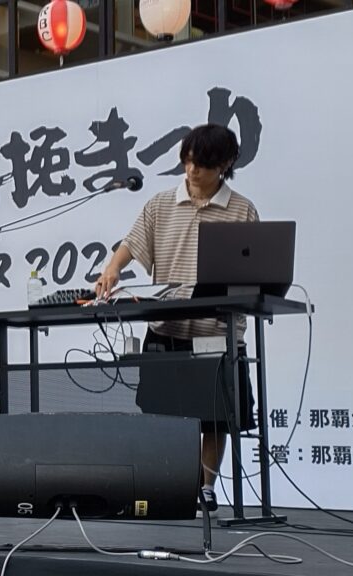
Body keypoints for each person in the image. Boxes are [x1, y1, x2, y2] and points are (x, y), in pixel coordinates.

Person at [96, 124, 258, 512]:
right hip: (166, 327)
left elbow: (254, 267)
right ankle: (169, 485)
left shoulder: (242, 210)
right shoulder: (161, 204)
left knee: (216, 419)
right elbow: (131, 244)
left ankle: (205, 487)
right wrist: (112, 269)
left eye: (202, 164)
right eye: (187, 162)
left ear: (225, 164)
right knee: (163, 416)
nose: (192, 171)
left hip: (216, 331)